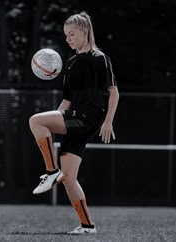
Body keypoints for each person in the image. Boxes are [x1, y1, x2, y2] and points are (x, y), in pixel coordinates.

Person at [29, 11, 119, 234]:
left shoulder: (99, 58)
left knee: (35, 121)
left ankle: (51, 172)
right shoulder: (69, 63)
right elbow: (67, 100)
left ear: (85, 31)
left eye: (72, 34)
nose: (68, 39)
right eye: (66, 35)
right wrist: (57, 119)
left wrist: (108, 122)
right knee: (69, 178)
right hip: (75, 118)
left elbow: (114, 92)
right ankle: (87, 226)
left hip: (88, 117)